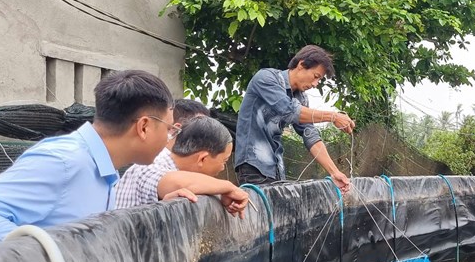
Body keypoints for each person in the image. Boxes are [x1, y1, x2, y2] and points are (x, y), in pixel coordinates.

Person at [0, 70, 175, 249]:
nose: (168, 138)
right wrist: (50, 259)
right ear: (144, 126)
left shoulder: (104, 170)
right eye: (168, 129)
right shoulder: (65, 161)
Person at [234, 45, 355, 192]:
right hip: (253, 166)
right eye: (316, 77)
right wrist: (333, 116)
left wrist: (334, 172)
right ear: (301, 64)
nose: (315, 84)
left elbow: (310, 135)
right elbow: (289, 111)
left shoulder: (300, 97)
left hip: (276, 168)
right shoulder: (266, 78)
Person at [115, 115, 249, 216]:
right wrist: (228, 188)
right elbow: (174, 181)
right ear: (202, 158)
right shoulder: (150, 166)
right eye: (224, 161)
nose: (222, 168)